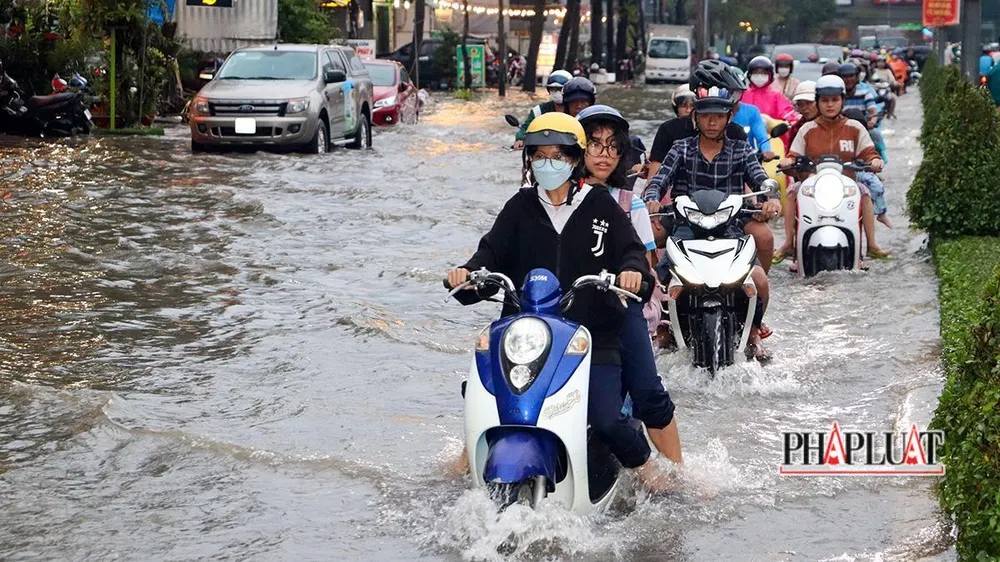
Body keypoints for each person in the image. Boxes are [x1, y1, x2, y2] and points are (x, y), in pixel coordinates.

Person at [446, 112, 664, 483]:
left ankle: (648, 468)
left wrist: (631, 272)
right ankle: (470, 458)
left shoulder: (600, 204)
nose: (549, 164)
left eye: (559, 156)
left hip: (591, 338)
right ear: (529, 161)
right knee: (484, 401)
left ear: (575, 160)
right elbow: (489, 254)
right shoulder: (520, 206)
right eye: (540, 156)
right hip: (525, 335)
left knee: (606, 419)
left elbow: (631, 252)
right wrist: (467, 274)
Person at [576, 104, 683, 466]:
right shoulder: (557, 197)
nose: (604, 154)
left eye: (612, 146)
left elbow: (646, 263)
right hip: (569, 310)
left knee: (648, 392)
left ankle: (678, 473)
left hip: (621, 309)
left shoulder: (629, 203)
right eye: (595, 144)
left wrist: (632, 274)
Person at [644, 85, 781, 361]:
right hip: (686, 227)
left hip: (731, 229)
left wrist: (771, 198)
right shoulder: (681, 148)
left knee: (759, 280)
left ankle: (753, 330)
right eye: (706, 116)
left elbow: (760, 179)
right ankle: (664, 327)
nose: (712, 122)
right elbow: (659, 180)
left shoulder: (741, 150)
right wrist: (652, 199)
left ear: (728, 118)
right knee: (661, 277)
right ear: (696, 117)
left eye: (718, 116)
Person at [775, 75, 889, 268]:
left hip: (847, 185)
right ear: (818, 102)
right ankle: (789, 245)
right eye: (825, 100)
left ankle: (870, 245)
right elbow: (793, 155)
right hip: (813, 184)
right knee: (793, 191)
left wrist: (875, 160)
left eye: (835, 100)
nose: (830, 105)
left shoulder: (854, 127)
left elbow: (869, 152)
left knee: (864, 192)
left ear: (842, 101)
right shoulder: (807, 129)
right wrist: (789, 161)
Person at [646, 62, 750, 183]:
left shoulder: (737, 134)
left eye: (719, 116)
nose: (712, 124)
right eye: (731, 95)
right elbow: (654, 179)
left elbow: (748, 179)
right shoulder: (670, 132)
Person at [512, 69, 574, 149]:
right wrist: (520, 139)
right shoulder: (539, 110)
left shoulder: (576, 109)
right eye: (553, 89)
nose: (556, 92)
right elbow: (525, 128)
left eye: (559, 89)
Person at [728, 64, 777, 158]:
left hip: (746, 159)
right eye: (728, 89)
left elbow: (762, 137)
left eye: (736, 89)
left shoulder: (752, 111)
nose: (732, 92)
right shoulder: (711, 110)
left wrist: (766, 151)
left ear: (742, 90)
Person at [741, 56, 800, 125]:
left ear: (770, 76)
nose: (759, 76)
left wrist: (791, 121)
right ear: (750, 75)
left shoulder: (776, 96)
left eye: (763, 73)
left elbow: (789, 113)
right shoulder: (743, 95)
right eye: (756, 72)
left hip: (770, 131)